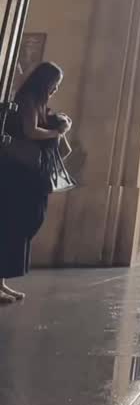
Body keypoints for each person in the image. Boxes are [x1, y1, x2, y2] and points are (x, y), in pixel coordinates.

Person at [0, 61, 70, 303]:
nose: (56, 89)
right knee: (12, 225)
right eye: (55, 84)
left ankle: (1, 282)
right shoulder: (28, 99)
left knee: (23, 223)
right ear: (44, 81)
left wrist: (58, 123)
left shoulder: (38, 102)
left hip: (30, 172)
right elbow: (31, 131)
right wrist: (56, 132)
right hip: (18, 172)